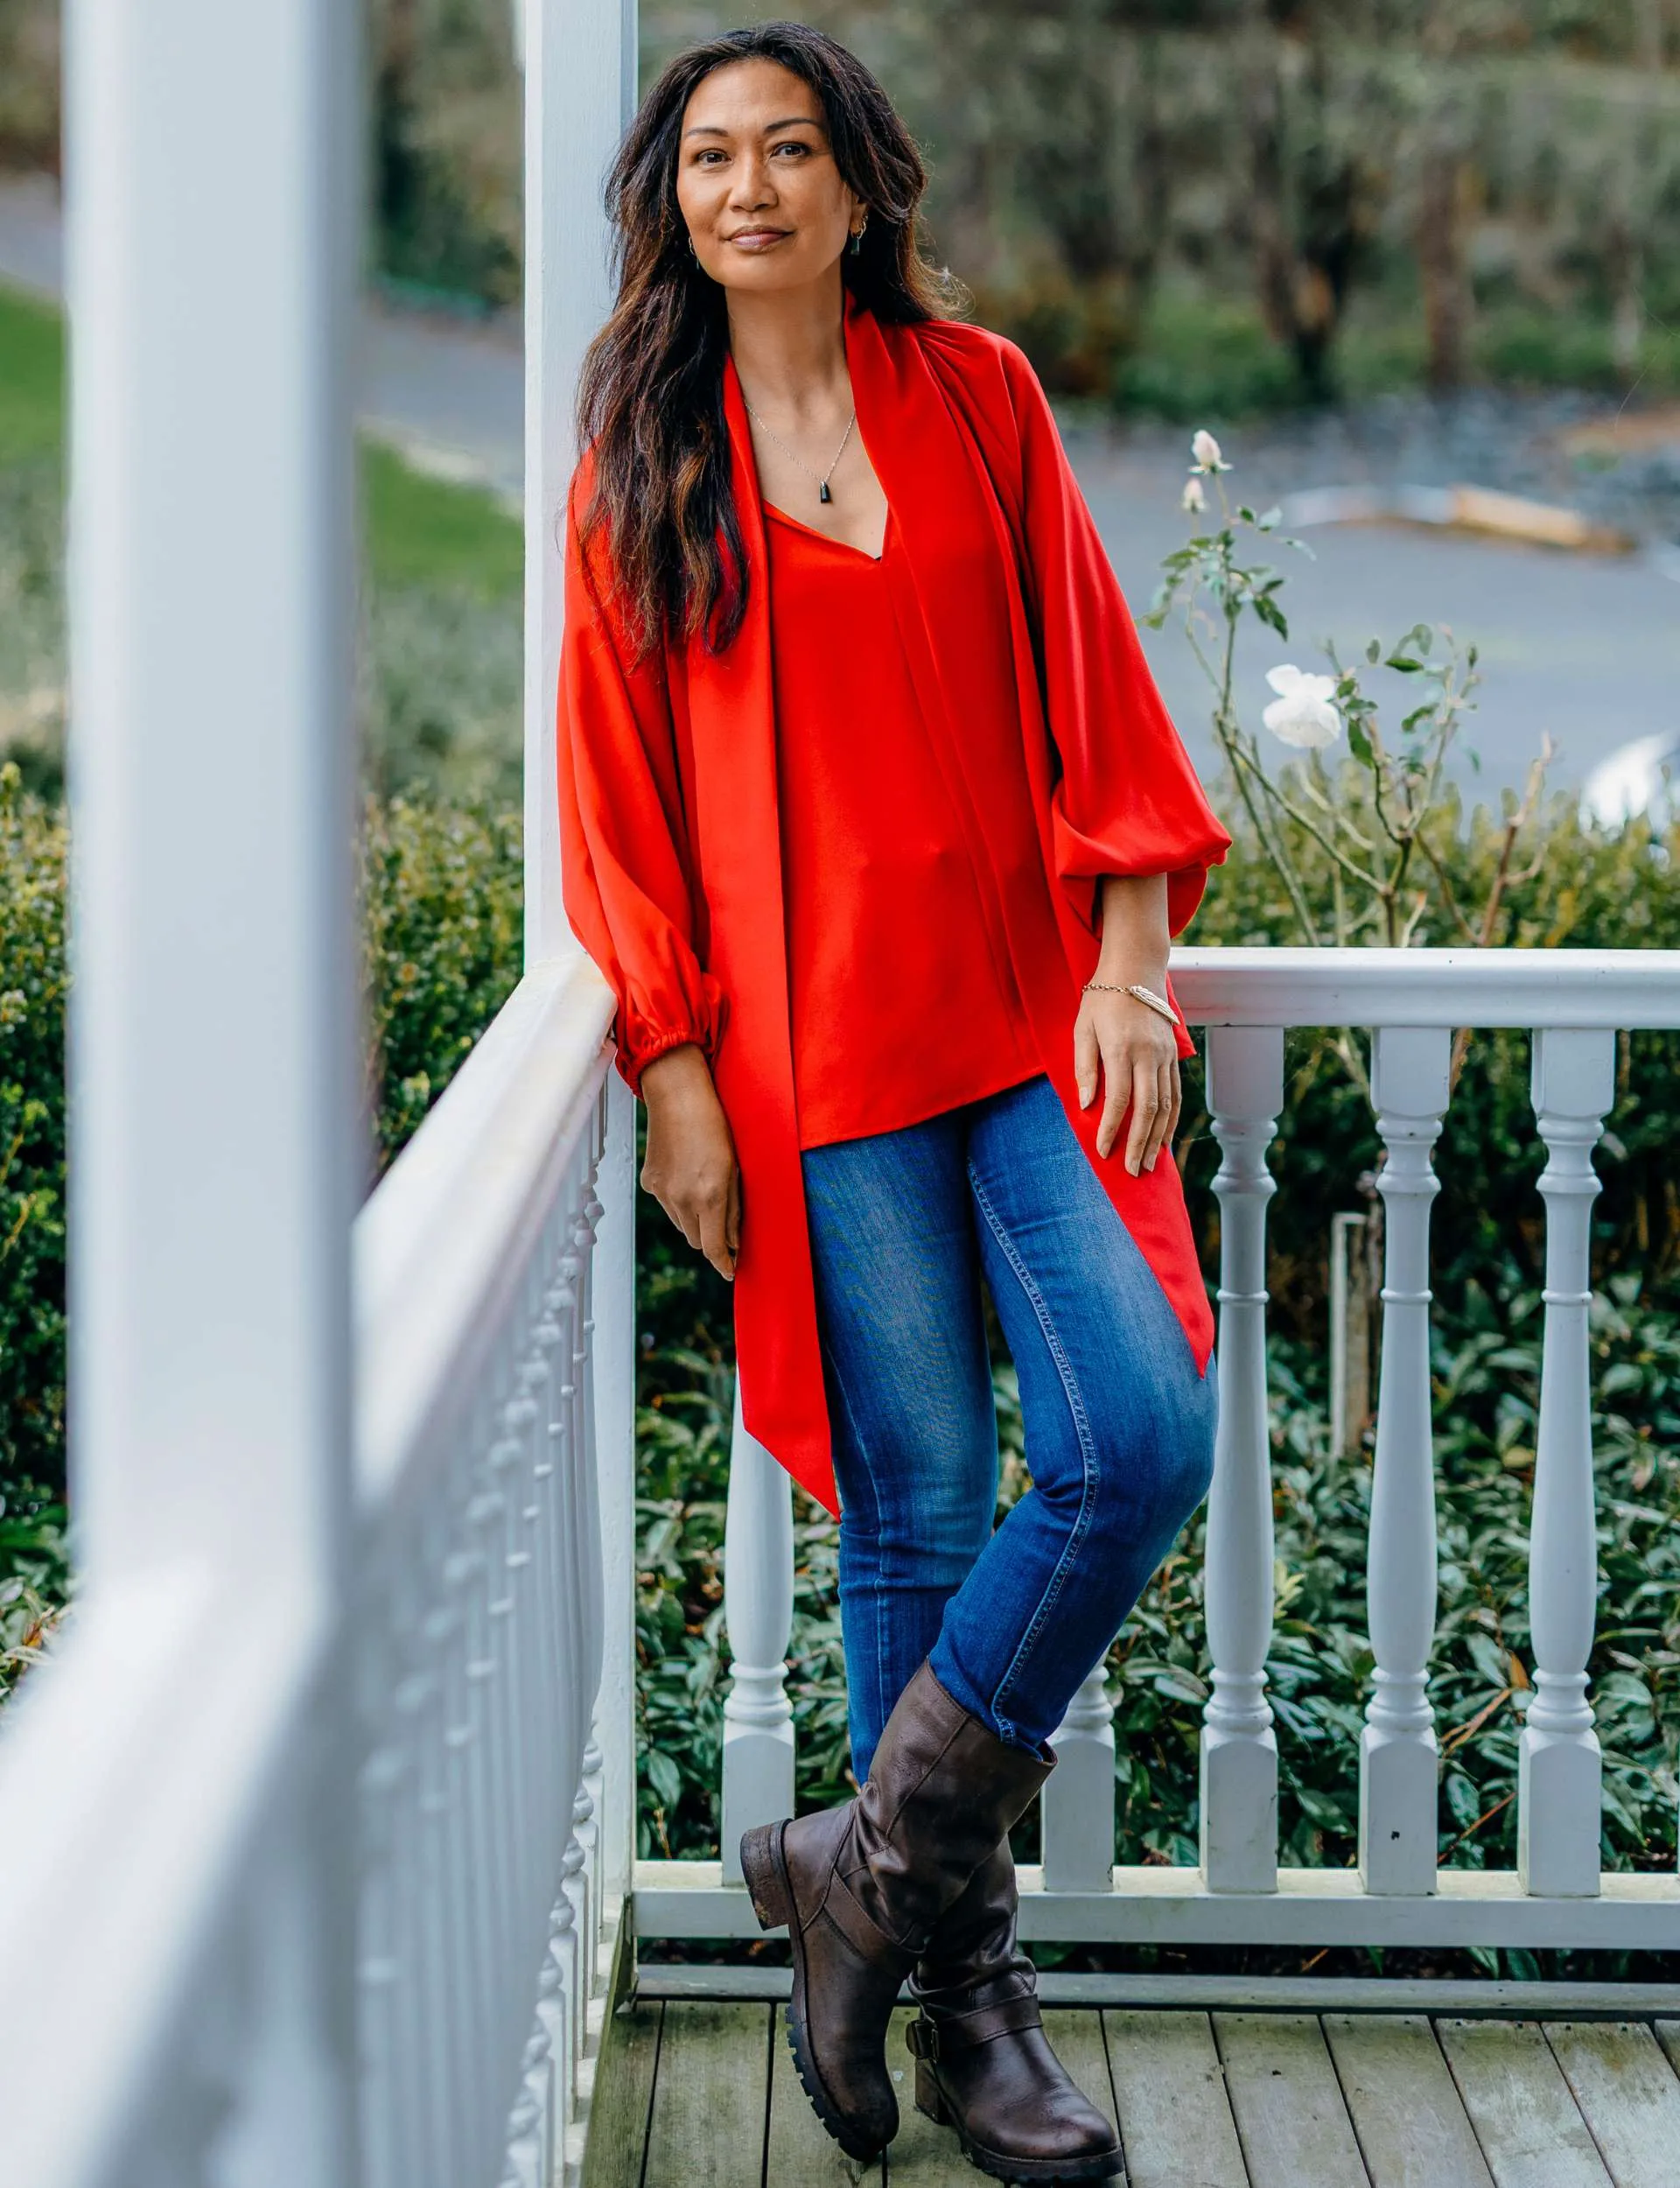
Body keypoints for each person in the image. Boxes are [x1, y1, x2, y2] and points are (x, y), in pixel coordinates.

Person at [558, 23, 1230, 2183]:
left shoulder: (979, 397)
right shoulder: (639, 468)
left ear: (861, 186)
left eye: (789, 149)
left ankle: (858, 1864)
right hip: (819, 1070)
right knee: (920, 1512)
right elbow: (615, 812)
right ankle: (968, 2004)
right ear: (674, 201)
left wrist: (1131, 962)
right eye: (709, 156)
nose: (748, 187)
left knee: (1141, 1431)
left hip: (1025, 1028)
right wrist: (675, 1074)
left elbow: (1103, 697)